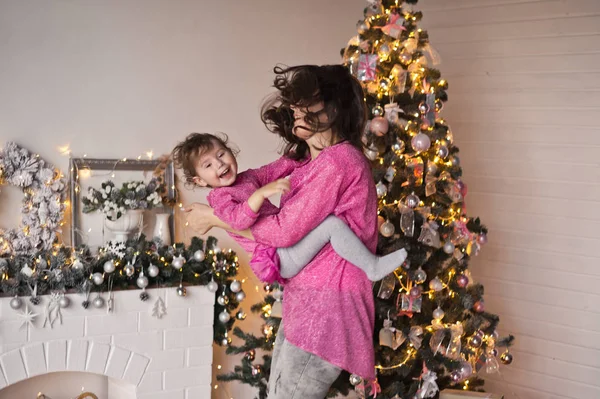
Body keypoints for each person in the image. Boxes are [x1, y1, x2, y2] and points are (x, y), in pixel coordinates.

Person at [184, 64, 380, 398]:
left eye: (306, 105)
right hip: (306, 302)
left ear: (333, 109)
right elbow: (267, 184)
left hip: (327, 308)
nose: (295, 112)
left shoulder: (338, 163)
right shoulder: (313, 160)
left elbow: (283, 231)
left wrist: (214, 219)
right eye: (294, 106)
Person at [172, 132, 407, 283]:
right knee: (332, 225)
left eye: (221, 154)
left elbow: (274, 169)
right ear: (200, 181)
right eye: (208, 165)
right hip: (278, 257)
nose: (220, 164)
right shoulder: (219, 198)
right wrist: (261, 194)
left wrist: (303, 154)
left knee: (325, 218)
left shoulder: (247, 178)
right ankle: (371, 266)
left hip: (286, 244)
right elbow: (237, 221)